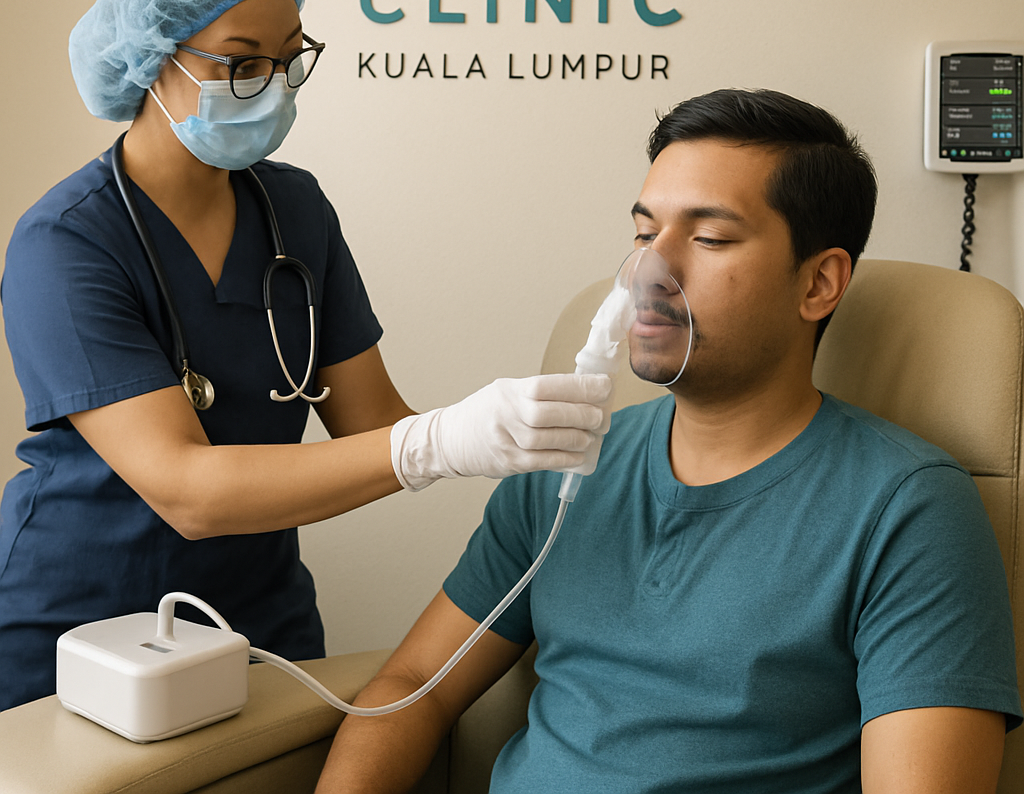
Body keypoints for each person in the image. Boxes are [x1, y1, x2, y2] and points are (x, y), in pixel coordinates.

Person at [316, 89, 1022, 794]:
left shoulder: (906, 509)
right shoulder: (563, 468)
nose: (651, 272)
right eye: (644, 233)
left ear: (819, 282)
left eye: (709, 238)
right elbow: (414, 686)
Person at [0, 0, 611, 711]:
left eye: (289, 58)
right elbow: (189, 490)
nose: (276, 83)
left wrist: (506, 435)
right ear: (154, 58)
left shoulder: (294, 210)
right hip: (83, 622)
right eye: (243, 62)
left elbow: (373, 425)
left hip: (257, 622)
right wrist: (441, 442)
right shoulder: (66, 242)